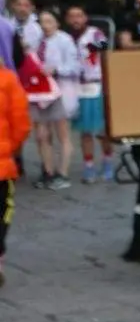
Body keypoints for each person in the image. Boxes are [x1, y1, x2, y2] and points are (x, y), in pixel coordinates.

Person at [65, 5, 114, 183]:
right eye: (72, 16)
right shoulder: (65, 37)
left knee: (102, 129)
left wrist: (90, 49)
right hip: (77, 87)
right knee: (85, 131)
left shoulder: (94, 33)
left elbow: (105, 46)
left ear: (85, 18)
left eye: (79, 15)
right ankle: (89, 166)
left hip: (96, 85)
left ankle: (108, 162)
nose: (76, 19)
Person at [34, 10, 77, 189]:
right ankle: (48, 171)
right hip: (42, 93)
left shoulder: (65, 40)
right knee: (42, 135)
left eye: (49, 21)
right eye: (42, 22)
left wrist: (56, 70)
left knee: (62, 134)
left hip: (60, 90)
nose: (45, 26)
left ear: (57, 23)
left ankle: (63, 173)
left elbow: (74, 66)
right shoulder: (38, 41)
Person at [0, 40, 31, 285]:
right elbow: (20, 122)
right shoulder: (8, 80)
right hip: (2, 165)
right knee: (2, 213)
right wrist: (9, 148)